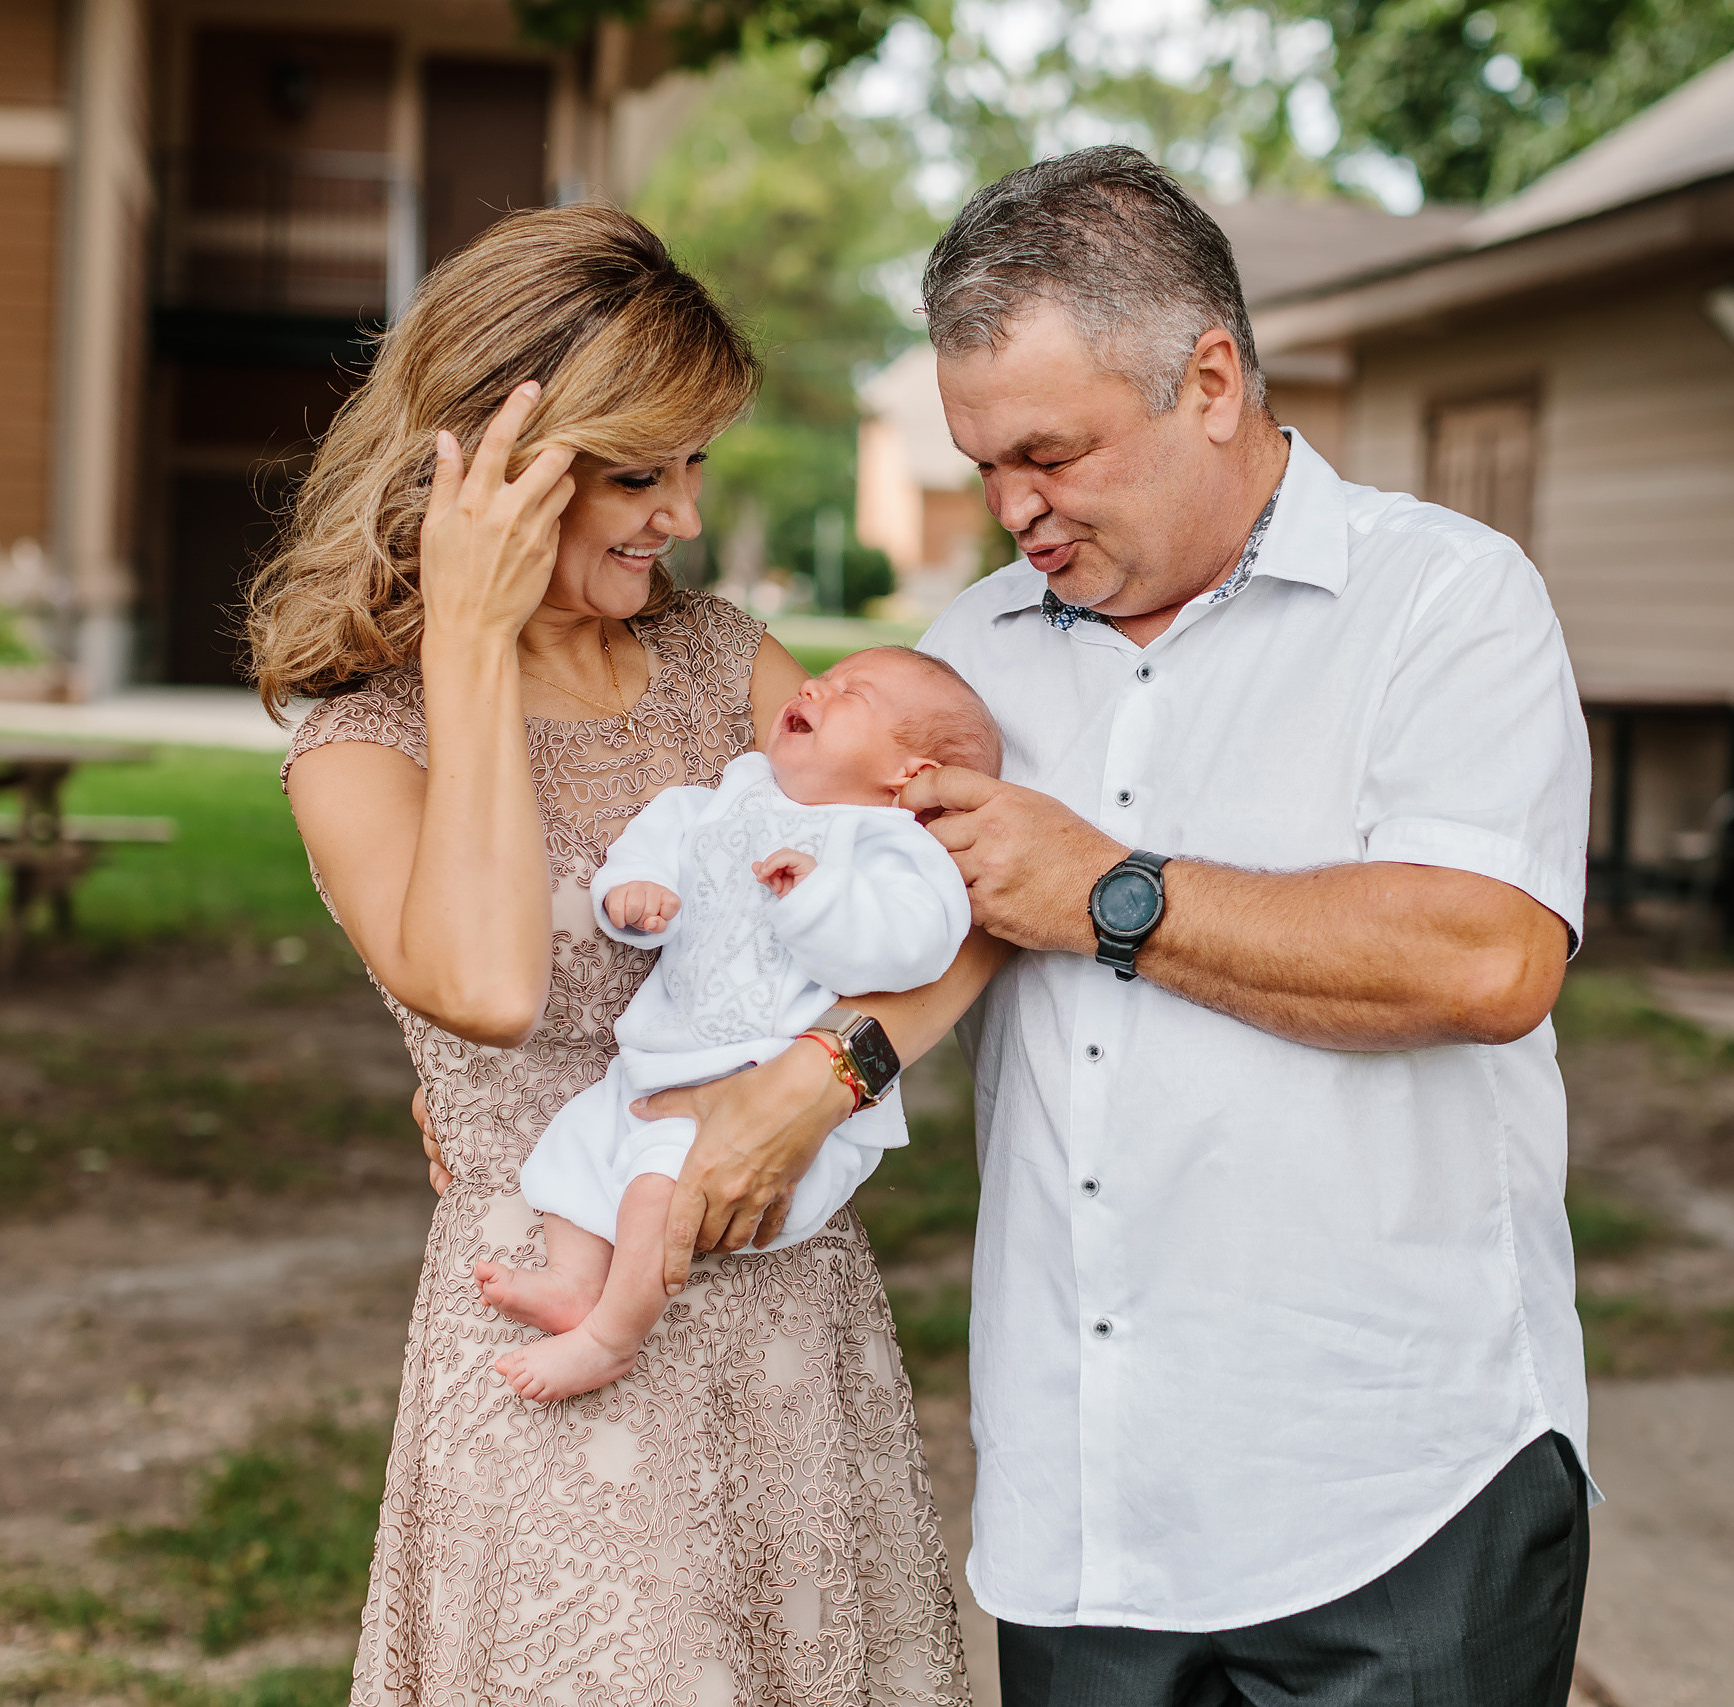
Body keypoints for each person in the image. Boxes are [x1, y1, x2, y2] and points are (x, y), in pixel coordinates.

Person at [618, 147, 1595, 1706]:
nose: (1013, 510)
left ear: (1210, 377)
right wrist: (779, 1079)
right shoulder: (969, 651)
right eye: (984, 461)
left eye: (1051, 455)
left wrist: (1113, 891)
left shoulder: (1447, 601)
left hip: (1397, 1482)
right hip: (1086, 1495)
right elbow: (880, 928)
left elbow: (1487, 959)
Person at [256, 205, 968, 1706]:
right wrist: (468, 634)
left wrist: (823, 1075)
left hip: (786, 1313)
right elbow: (491, 985)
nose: (684, 517)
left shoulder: (733, 671)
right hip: (557, 1328)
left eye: (695, 465)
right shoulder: (361, 743)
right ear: (494, 474)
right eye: (641, 472)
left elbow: (973, 897)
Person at [481, 646, 995, 1404]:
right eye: (828, 673)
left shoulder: (891, 847)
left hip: (768, 1084)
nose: (817, 683)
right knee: (577, 1142)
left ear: (909, 776)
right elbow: (665, 831)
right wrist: (636, 886)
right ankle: (572, 1277)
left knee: (662, 1187)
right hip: (666, 1059)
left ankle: (609, 1338)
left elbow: (913, 947)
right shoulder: (733, 793)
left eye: (854, 692)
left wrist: (819, 899)